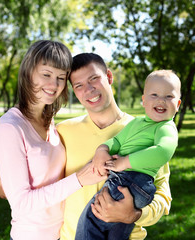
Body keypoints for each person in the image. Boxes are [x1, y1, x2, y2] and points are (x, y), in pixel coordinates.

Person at [0, 53, 173, 240]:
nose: (89, 90)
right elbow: (37, 183)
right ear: (74, 91)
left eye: (94, 79)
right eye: (79, 85)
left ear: (109, 77)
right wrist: (3, 180)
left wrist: (135, 215)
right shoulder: (62, 132)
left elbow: (163, 195)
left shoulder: (146, 131)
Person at [0, 41, 104, 240]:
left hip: (62, 233)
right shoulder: (10, 128)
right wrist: (79, 179)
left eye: (61, 77)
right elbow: (22, 203)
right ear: (28, 72)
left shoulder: (48, 120)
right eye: (46, 74)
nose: (54, 85)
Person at [74, 69, 181, 239]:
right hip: (133, 186)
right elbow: (116, 142)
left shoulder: (166, 128)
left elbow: (162, 152)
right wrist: (102, 150)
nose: (161, 100)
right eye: (154, 95)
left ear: (178, 104)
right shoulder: (137, 123)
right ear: (144, 100)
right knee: (117, 233)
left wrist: (123, 163)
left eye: (169, 96)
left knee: (91, 220)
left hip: (132, 180)